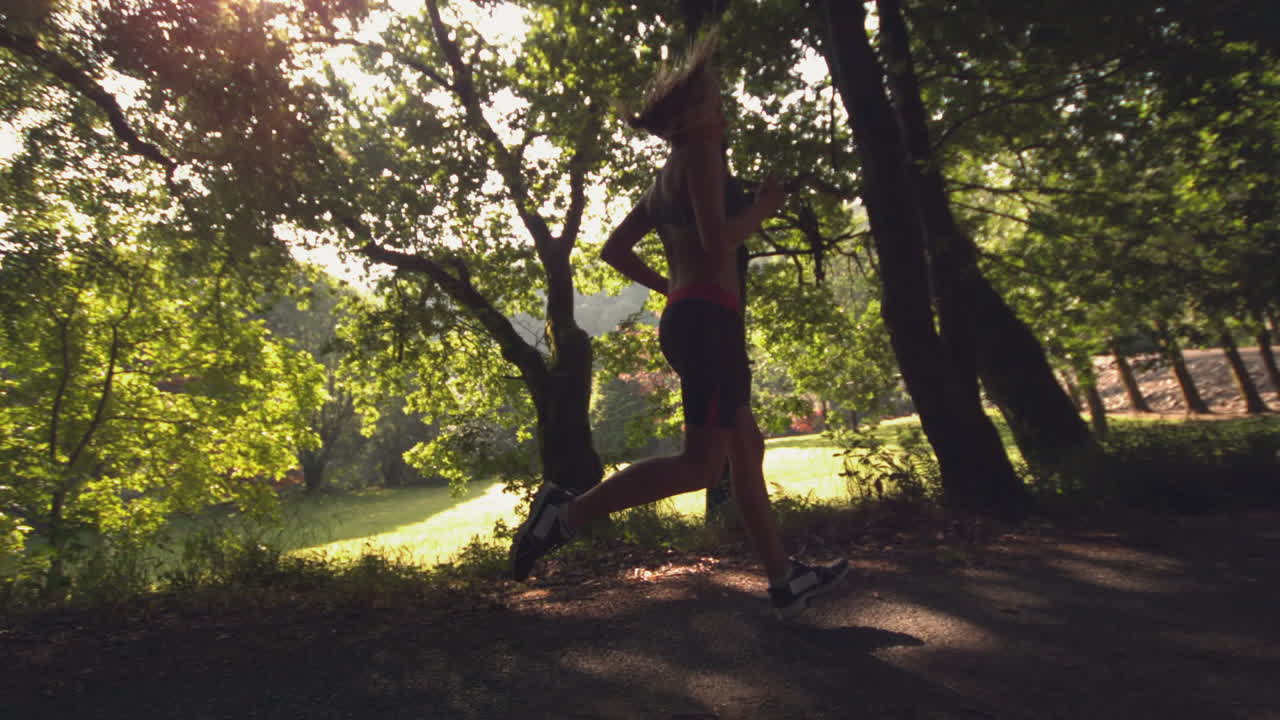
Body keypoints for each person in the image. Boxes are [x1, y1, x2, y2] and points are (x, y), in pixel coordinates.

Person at [510, 29, 847, 618]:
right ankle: (562, 515)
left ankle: (783, 580)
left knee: (746, 449)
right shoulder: (702, 154)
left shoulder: (664, 175)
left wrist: (673, 289)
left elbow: (615, 248)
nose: (722, 108)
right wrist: (764, 209)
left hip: (690, 318)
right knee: (702, 464)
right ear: (689, 117)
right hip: (710, 323)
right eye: (712, 100)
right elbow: (718, 242)